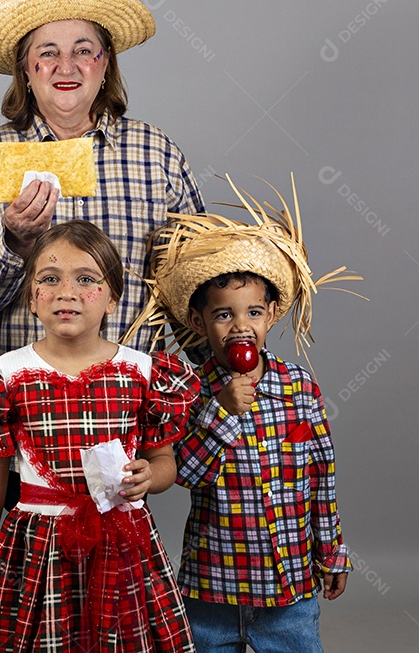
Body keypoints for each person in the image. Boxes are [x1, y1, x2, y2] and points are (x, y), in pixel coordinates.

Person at [126, 176, 359, 653]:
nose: (240, 326)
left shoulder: (299, 387)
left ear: (272, 314)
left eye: (253, 312)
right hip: (213, 584)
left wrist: (331, 553)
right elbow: (187, 472)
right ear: (198, 322)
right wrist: (223, 411)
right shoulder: (189, 391)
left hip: (288, 586)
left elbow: (321, 474)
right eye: (223, 314)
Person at [0, 220, 199, 653]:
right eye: (49, 279)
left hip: (122, 545)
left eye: (86, 280)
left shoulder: (144, 374)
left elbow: (164, 464)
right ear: (32, 298)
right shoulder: (6, 377)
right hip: (39, 548)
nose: (67, 292)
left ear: (113, 297)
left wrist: (149, 476)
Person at [0, 0, 205, 358]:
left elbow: (192, 286)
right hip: (26, 401)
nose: (66, 66)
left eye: (84, 51)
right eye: (48, 53)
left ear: (105, 68)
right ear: (26, 71)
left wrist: (221, 379)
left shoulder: (155, 153)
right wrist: (14, 241)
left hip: (133, 399)